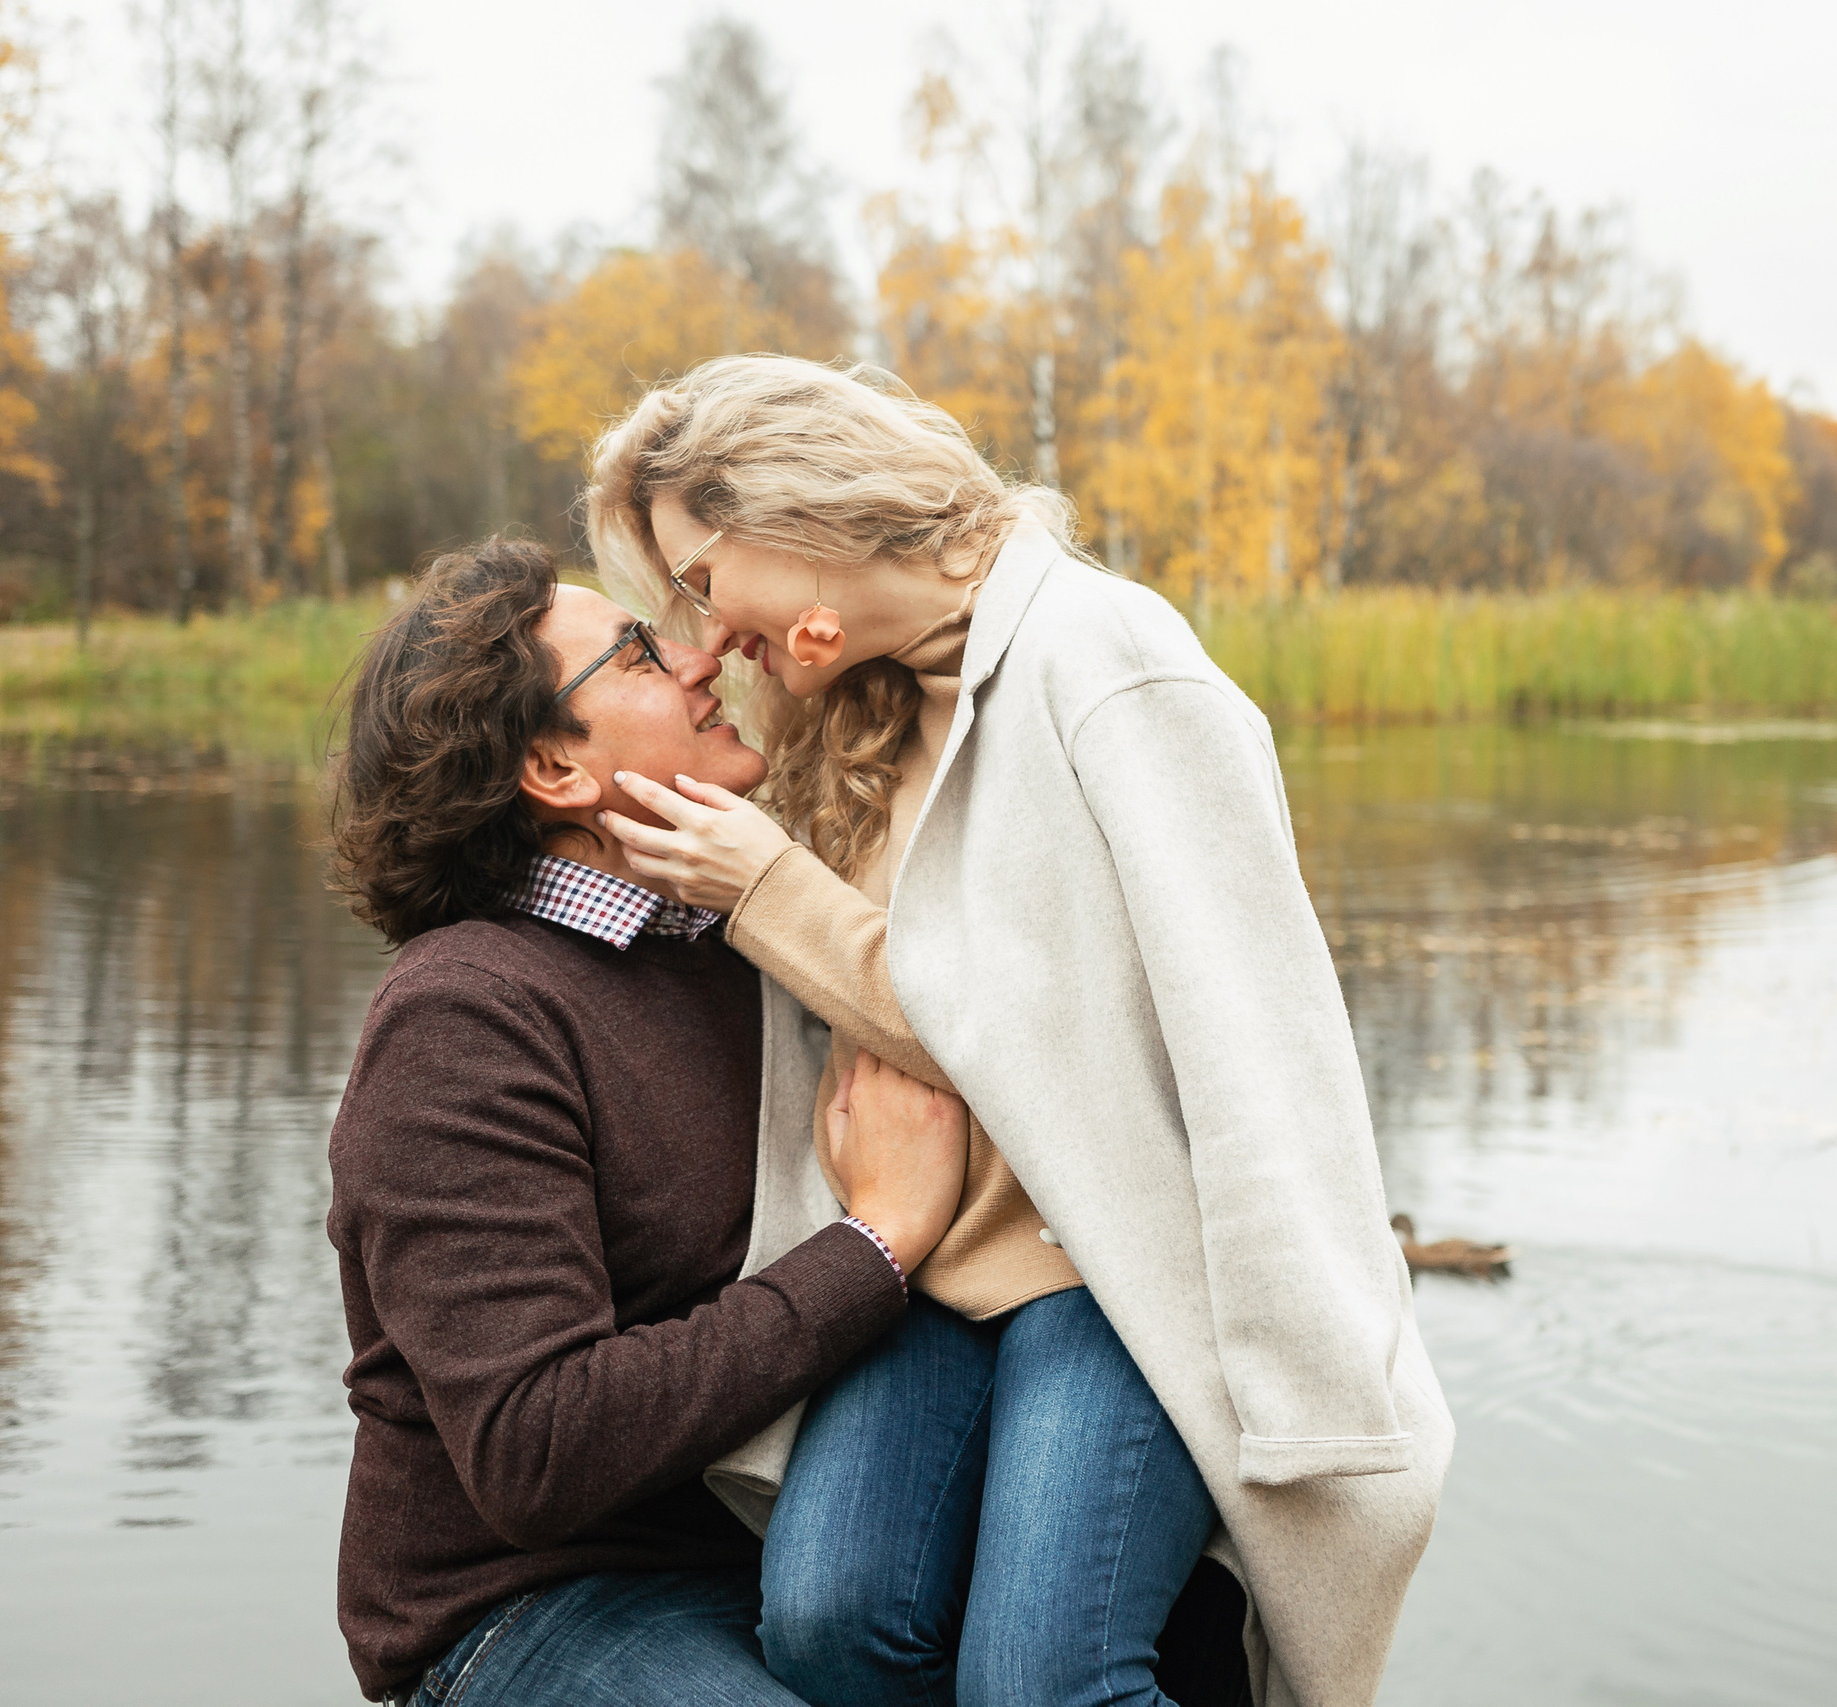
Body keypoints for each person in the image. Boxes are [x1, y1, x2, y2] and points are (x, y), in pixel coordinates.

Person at [581, 356, 1455, 1707]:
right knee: (827, 1623)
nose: (696, 639)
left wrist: (763, 884)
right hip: (930, 1267)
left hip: (1114, 1265)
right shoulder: (853, 711)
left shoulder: (1108, 657)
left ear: (798, 514)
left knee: (1042, 1680)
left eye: (702, 579)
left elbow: (1234, 1042)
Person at [322, 537, 971, 1706]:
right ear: (557, 773)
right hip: (533, 1602)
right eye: (633, 652)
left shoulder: (757, 935)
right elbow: (539, 1447)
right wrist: (877, 1245)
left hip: (797, 1562)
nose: (697, 654)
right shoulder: (467, 1017)